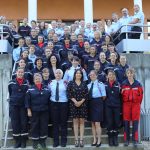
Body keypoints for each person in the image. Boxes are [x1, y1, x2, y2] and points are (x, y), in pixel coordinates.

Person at [25, 73, 50, 149]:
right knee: (34, 126)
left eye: (39, 78)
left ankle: (42, 141)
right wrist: (28, 110)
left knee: (44, 126)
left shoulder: (46, 88)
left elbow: (49, 100)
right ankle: (35, 142)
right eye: (36, 79)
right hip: (34, 111)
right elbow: (27, 101)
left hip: (44, 111)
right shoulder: (30, 89)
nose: (38, 80)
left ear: (41, 79)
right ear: (33, 80)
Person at [121, 68, 143, 147]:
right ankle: (126, 140)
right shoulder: (123, 84)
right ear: (126, 74)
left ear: (133, 74)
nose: (129, 75)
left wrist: (137, 104)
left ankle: (135, 140)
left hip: (135, 105)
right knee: (126, 122)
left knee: (135, 122)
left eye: (131, 73)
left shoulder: (138, 84)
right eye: (128, 73)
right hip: (126, 105)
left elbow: (141, 96)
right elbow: (121, 96)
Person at [67, 69, 88, 147]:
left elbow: (86, 94)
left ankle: (81, 140)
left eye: (80, 73)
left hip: (82, 104)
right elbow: (68, 93)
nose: (78, 74)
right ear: (75, 74)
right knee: (75, 122)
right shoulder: (70, 83)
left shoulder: (84, 83)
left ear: (82, 75)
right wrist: (75, 101)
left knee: (82, 122)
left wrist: (80, 102)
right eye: (77, 73)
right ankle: (76, 139)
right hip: (73, 104)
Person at [8, 67, 29, 148]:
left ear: (23, 73)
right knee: (15, 123)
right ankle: (17, 141)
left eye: (22, 72)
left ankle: (23, 141)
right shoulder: (11, 83)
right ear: (16, 73)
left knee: (24, 123)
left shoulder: (26, 82)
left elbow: (27, 95)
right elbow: (10, 92)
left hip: (23, 106)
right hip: (14, 106)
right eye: (19, 72)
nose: (20, 73)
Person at [48, 69, 68, 147]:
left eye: (60, 73)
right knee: (55, 123)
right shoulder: (51, 83)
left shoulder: (65, 83)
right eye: (57, 73)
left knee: (63, 123)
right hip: (54, 104)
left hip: (63, 103)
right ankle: (55, 141)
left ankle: (63, 141)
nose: (58, 74)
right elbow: (49, 92)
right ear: (54, 74)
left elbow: (68, 92)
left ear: (62, 75)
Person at [88, 70, 106, 147]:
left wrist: (99, 102)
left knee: (97, 123)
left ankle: (99, 140)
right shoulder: (88, 85)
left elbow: (104, 96)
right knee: (92, 123)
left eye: (93, 75)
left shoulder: (100, 84)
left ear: (96, 75)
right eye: (90, 75)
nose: (92, 76)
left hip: (98, 102)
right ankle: (94, 139)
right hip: (90, 103)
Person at [105, 70, 121, 146]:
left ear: (114, 76)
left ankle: (115, 138)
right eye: (109, 75)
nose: (111, 76)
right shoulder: (104, 85)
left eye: (112, 75)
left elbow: (120, 96)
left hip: (116, 106)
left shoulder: (118, 85)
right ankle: (110, 138)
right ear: (107, 76)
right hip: (108, 107)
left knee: (116, 122)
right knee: (109, 122)